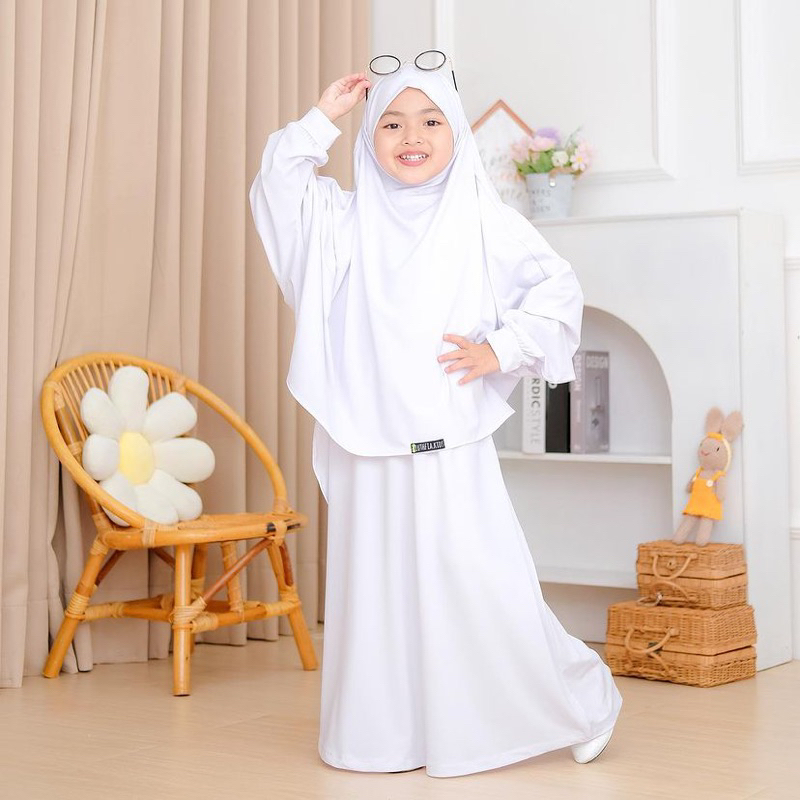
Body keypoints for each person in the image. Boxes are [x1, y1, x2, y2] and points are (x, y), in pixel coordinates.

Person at [249, 57, 621, 779]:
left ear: (456, 134)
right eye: (391, 123)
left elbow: (557, 292)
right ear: (369, 137)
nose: (410, 137)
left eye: (429, 122)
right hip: (367, 441)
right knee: (378, 598)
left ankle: (584, 701)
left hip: (449, 441)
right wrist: (321, 118)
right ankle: (385, 738)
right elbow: (277, 189)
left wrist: (500, 349)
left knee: (480, 586)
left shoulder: (483, 221)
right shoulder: (341, 221)